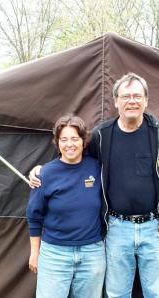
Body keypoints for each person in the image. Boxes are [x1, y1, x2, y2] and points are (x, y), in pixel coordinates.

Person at [30, 73, 159, 298]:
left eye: (137, 96)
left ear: (146, 100)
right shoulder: (102, 136)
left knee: (157, 293)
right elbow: (71, 155)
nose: (132, 101)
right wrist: (42, 170)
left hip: (155, 229)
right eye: (125, 96)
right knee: (117, 294)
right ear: (116, 101)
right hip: (117, 228)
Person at [26, 115, 106, 298]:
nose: (69, 144)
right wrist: (34, 253)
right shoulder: (45, 174)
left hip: (92, 253)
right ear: (57, 142)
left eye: (74, 139)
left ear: (83, 141)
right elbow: (34, 215)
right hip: (54, 254)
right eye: (64, 139)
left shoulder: (97, 168)